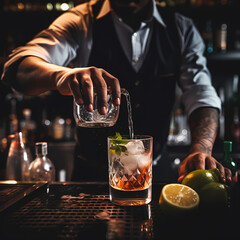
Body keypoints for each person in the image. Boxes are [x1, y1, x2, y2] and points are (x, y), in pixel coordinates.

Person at [1, 0, 232, 183]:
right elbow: (16, 69)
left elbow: (201, 92)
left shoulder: (181, 28)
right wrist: (61, 75)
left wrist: (200, 149)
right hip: (89, 180)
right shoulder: (81, 20)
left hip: (155, 175)